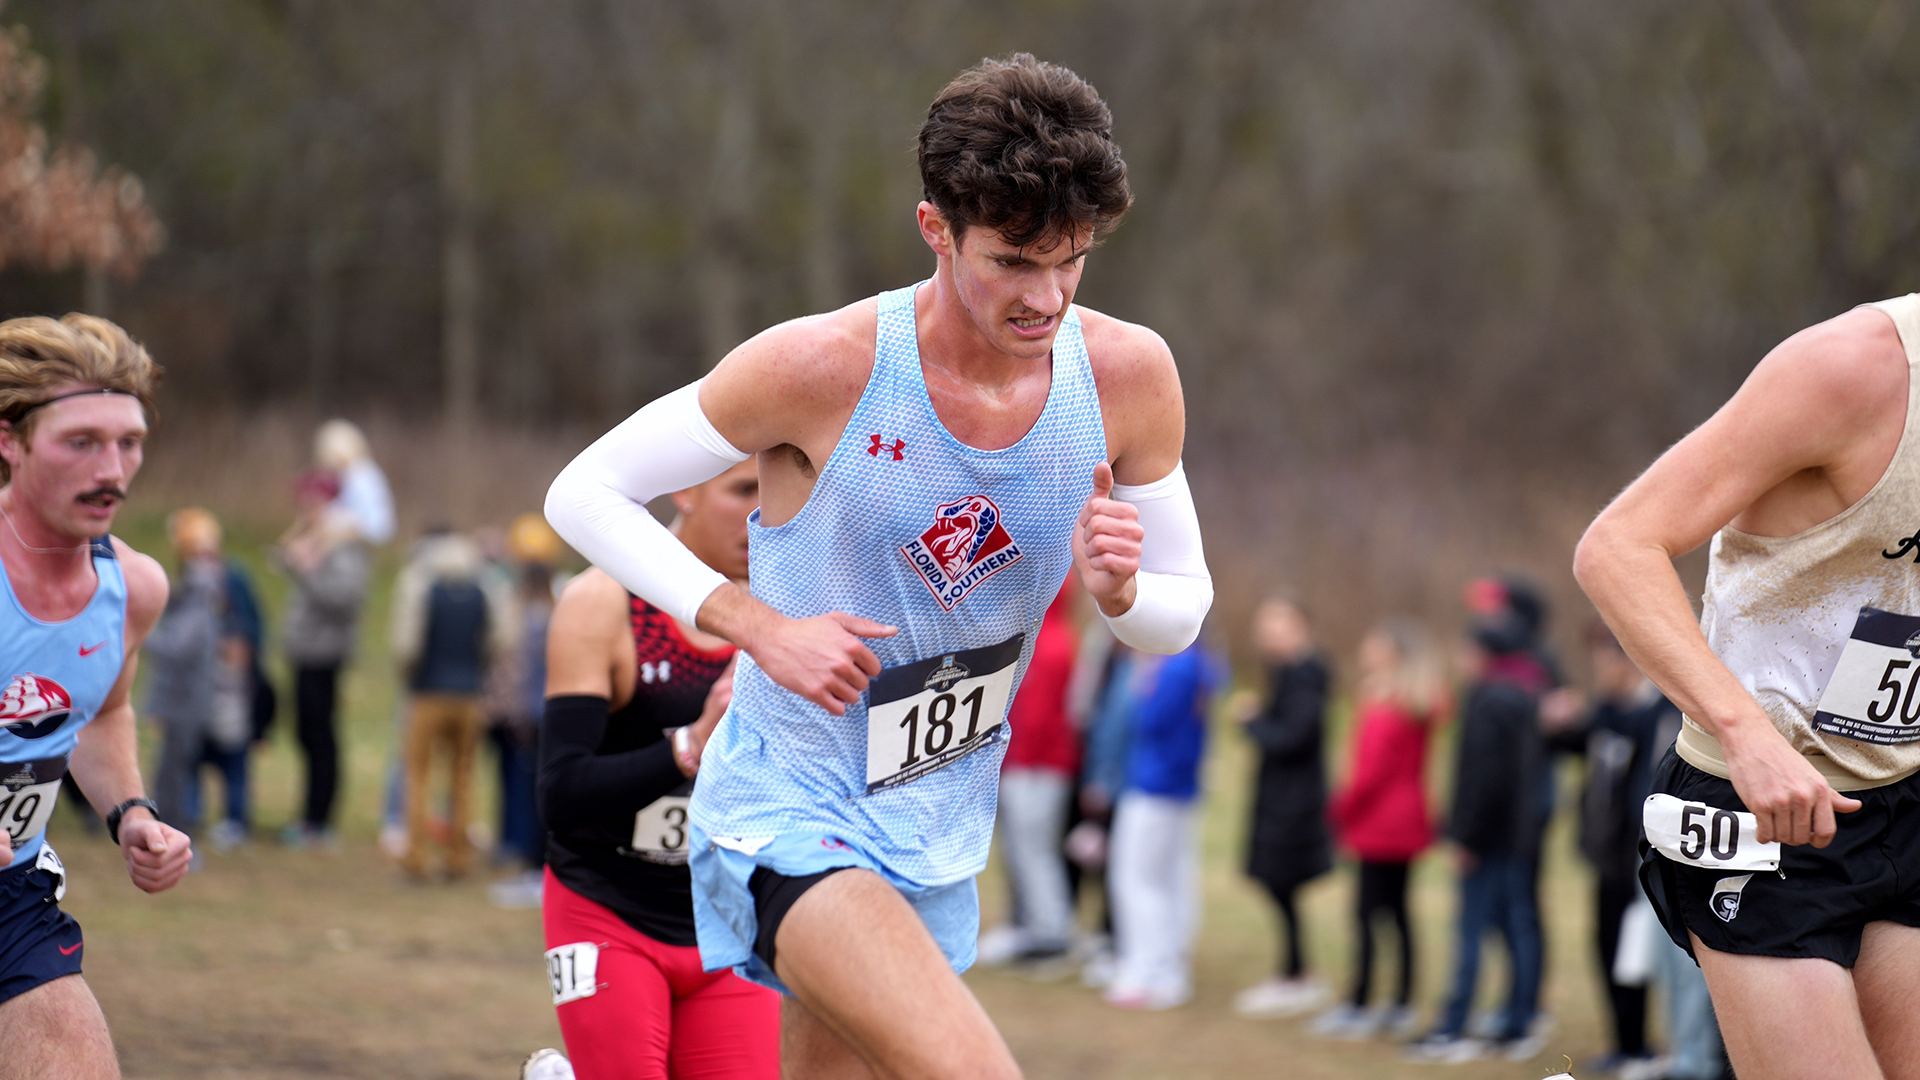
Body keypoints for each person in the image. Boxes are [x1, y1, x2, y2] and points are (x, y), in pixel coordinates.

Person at [545, 53, 1210, 1078]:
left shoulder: (1127, 375)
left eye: (1072, 260)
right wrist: (754, 623)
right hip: (791, 811)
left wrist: (1122, 593)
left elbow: (1182, 609)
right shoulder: (824, 366)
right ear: (936, 229)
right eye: (1012, 262)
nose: (1047, 298)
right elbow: (583, 492)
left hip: (937, 824)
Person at [1575, 293, 1920, 1080]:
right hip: (1757, 812)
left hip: (1903, 795)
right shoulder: (1852, 371)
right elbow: (1617, 548)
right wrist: (1745, 729)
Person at [533, 459, 779, 1080]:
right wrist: (690, 744)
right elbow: (560, 796)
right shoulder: (605, 601)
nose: (762, 514)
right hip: (607, 909)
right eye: (742, 490)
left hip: (728, 921)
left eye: (775, 492)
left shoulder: (787, 607)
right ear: (686, 488)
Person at [0, 313, 193, 1076]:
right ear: (9, 441)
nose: (111, 468)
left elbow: (99, 709)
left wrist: (131, 812)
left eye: (129, 443)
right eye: (81, 442)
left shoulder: (132, 588)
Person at [1407, 614, 1551, 1064]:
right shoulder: (1524, 695)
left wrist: (1463, 837)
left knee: (1470, 928)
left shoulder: (1486, 700)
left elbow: (1481, 778)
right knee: (1515, 926)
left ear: (1483, 655)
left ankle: (1455, 1026)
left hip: (1488, 838)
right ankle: (1518, 1020)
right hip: (1515, 835)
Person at [1312, 617, 1444, 1040]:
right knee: (1399, 912)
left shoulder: (1387, 707)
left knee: (1367, 913)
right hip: (1407, 819)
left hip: (1379, 822)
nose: (1365, 650)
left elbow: (1369, 774)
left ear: (1391, 652)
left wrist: (1340, 810)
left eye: (1373, 644)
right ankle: (1401, 1002)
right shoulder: (1415, 700)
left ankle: (1360, 1004)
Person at [389, 527, 513, 880]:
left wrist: (411, 675)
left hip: (428, 692)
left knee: (417, 775)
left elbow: (406, 642)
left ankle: (416, 856)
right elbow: (500, 637)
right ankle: (457, 857)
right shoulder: (483, 587)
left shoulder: (422, 585)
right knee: (463, 777)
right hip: (470, 694)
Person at [1232, 595, 1333, 1019]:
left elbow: (1294, 738)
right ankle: (1294, 971)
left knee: (1282, 883)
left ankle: (1297, 976)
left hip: (1295, 803)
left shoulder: (1306, 676)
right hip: (1281, 797)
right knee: (1278, 887)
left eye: (1277, 625)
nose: (1268, 634)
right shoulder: (1286, 672)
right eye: (1264, 625)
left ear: (1299, 627)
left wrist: (1252, 722)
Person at [1104, 636, 1217, 1010]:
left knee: (1137, 880)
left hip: (1155, 785)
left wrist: (1141, 681)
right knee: (1168, 879)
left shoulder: (1174, 666)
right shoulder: (1199, 662)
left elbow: (1151, 720)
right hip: (1176, 787)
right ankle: (1166, 967)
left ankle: (1148, 971)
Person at [979, 583, 1081, 968]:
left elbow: (1036, 718)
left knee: (1034, 848)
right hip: (1024, 763)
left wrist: (1015, 756)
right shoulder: (1039, 638)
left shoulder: (1050, 645)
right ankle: (1029, 924)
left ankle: (1052, 934)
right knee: (1021, 849)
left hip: (1038, 766)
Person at [143, 508, 258, 852]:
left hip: (211, 692)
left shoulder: (222, 584)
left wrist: (138, 632)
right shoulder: (195, 588)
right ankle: (187, 824)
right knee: (184, 767)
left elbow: (244, 633)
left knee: (223, 758)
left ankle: (223, 823)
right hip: (196, 691)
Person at [277, 467, 371, 847]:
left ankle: (319, 820)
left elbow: (344, 599)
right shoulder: (319, 538)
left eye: (312, 500)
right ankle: (310, 816)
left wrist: (305, 570)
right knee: (305, 733)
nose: (305, 507)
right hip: (306, 652)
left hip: (324, 654)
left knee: (320, 736)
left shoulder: (343, 543)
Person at [315, 418, 395, 547]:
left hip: (360, 543)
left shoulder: (362, 475)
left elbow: (377, 526)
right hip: (350, 540)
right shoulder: (346, 476)